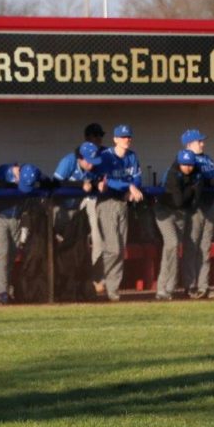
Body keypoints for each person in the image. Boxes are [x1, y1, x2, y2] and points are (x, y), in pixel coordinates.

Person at [180, 129, 214, 299]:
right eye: (199, 141)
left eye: (202, 141)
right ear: (189, 144)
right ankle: (190, 286)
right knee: (192, 247)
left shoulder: (208, 159)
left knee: (205, 248)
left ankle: (203, 286)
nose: (202, 144)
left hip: (210, 205)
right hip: (194, 208)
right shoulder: (186, 159)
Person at [95, 124, 143, 302]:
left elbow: (137, 178)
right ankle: (98, 278)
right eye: (123, 137)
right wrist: (128, 186)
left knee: (120, 249)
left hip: (123, 204)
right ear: (115, 139)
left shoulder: (132, 156)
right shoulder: (106, 156)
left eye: (128, 136)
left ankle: (112, 290)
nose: (126, 139)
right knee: (113, 248)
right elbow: (108, 182)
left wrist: (132, 188)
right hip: (107, 203)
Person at [0, 161, 44, 303]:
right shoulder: (4, 171)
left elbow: (46, 180)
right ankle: (2, 291)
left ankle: (8, 288)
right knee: (3, 255)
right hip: (0, 218)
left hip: (17, 220)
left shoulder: (34, 172)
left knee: (12, 256)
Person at [154, 149, 201, 301]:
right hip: (164, 212)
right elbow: (178, 200)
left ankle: (163, 289)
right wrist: (191, 189)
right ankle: (168, 287)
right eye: (184, 164)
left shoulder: (195, 172)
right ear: (179, 163)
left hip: (181, 214)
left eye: (190, 164)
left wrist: (194, 189)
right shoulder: (172, 174)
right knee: (173, 244)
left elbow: (196, 194)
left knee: (170, 249)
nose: (188, 167)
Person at [81, 122, 107, 291]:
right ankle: (85, 279)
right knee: (82, 241)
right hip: (86, 201)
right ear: (87, 137)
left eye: (100, 135)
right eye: (95, 135)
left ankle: (98, 279)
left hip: (102, 201)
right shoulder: (80, 154)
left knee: (100, 241)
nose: (98, 139)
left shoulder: (106, 153)